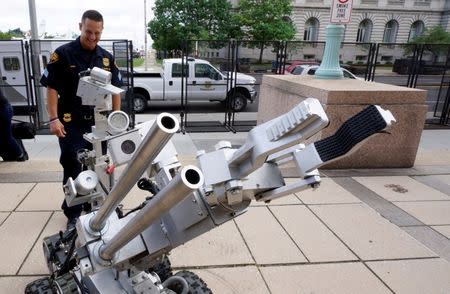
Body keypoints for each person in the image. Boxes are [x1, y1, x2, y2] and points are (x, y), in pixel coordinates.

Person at [40, 10, 122, 229]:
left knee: (101, 165)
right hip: (71, 122)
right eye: (88, 32)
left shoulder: (106, 58)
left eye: (97, 33)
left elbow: (116, 90)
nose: (93, 37)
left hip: (99, 122)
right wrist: (53, 119)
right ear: (80, 27)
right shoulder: (63, 54)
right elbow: (51, 88)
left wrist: (115, 119)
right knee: (73, 162)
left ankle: (98, 205)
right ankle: (73, 212)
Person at [0, 90, 27, 161]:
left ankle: (20, 155)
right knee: (6, 136)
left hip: (3, 111)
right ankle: (19, 155)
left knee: (7, 136)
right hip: (5, 109)